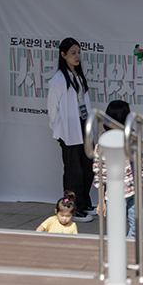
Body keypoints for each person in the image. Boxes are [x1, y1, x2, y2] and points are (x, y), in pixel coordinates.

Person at [46, 37, 95, 222]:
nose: (77, 56)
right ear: (63, 55)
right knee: (73, 171)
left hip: (83, 126)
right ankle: (71, 209)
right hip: (68, 131)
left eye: (79, 53)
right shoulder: (58, 80)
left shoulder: (79, 76)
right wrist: (57, 130)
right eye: (73, 53)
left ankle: (83, 203)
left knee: (87, 168)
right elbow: (52, 108)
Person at [94, 100, 143, 238]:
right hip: (114, 195)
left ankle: (125, 252)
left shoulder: (132, 136)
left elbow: (140, 163)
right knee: (116, 234)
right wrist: (101, 201)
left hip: (133, 193)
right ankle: (120, 256)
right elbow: (100, 175)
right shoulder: (104, 142)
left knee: (140, 231)